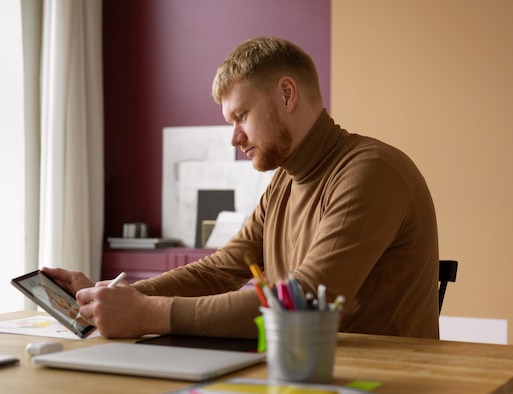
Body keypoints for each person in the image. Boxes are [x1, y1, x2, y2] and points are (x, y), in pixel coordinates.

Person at [44, 36, 440, 340]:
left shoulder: (370, 171)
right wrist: (110, 297)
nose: (234, 138)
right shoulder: (285, 180)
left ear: (287, 95)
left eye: (242, 116)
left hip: (385, 388)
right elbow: (219, 270)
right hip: (309, 372)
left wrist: (148, 313)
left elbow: (304, 301)